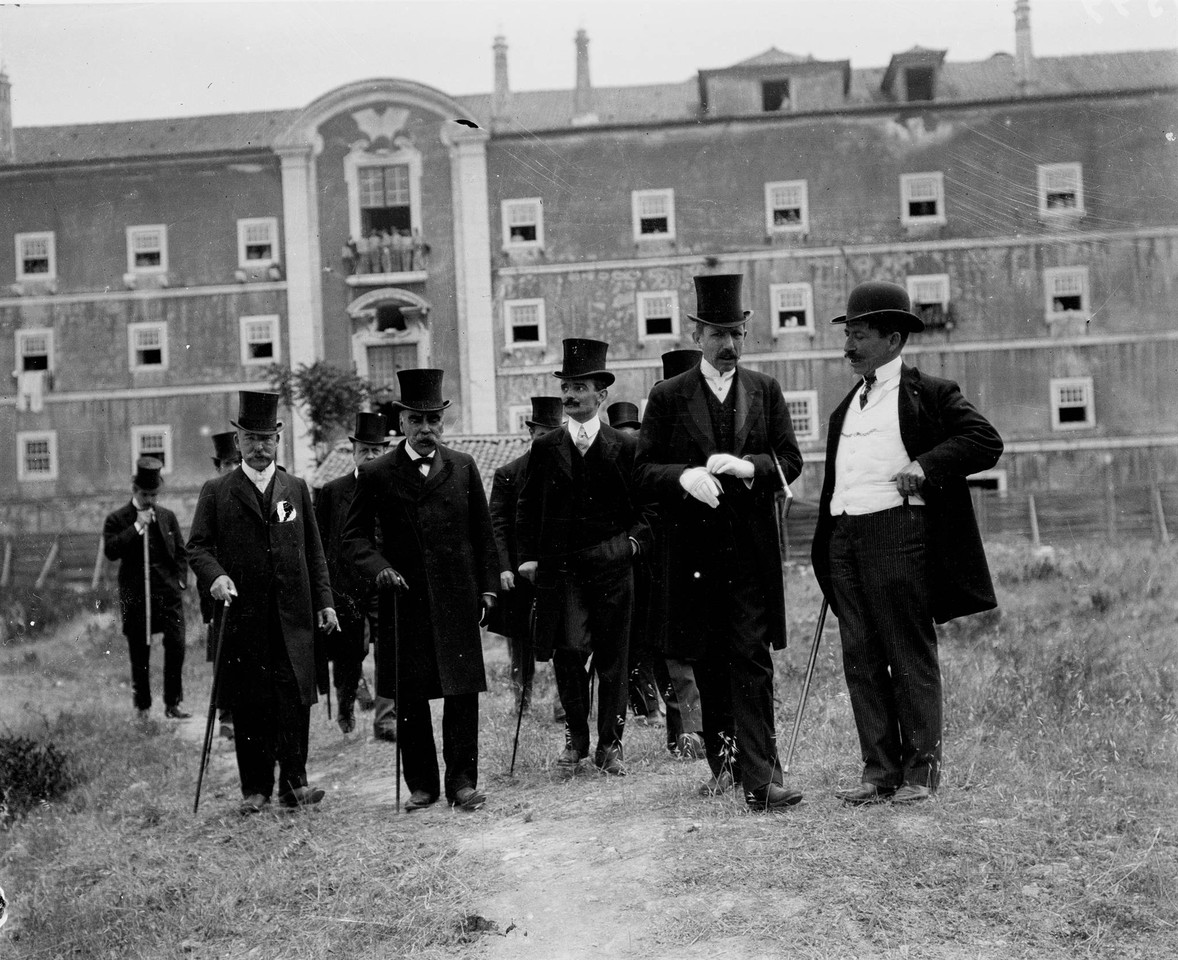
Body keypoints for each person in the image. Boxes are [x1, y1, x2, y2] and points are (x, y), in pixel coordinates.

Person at [812, 280, 1003, 805]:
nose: (848, 346)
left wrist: (925, 464)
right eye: (847, 334)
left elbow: (985, 441)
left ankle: (920, 776)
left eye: (860, 335)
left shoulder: (931, 393)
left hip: (899, 534)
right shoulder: (846, 406)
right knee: (861, 657)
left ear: (894, 340)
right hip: (845, 539)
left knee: (907, 653)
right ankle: (880, 773)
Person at [635, 274, 803, 811]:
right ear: (698, 334)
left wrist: (751, 466)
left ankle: (763, 778)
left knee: (751, 657)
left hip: (750, 555)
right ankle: (725, 763)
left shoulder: (766, 390)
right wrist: (682, 477)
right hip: (692, 557)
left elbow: (790, 461)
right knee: (708, 661)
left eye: (737, 334)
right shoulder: (667, 396)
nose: (729, 345)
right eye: (719, 335)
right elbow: (642, 472)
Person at [343, 369, 499, 812]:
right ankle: (423, 786)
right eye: (417, 420)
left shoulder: (463, 467)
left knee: (460, 692)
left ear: (442, 422)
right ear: (402, 423)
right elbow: (353, 538)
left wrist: (487, 590)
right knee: (410, 697)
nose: (426, 429)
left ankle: (463, 783)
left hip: (456, 598)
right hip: (403, 600)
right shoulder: (375, 473)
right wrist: (380, 569)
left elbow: (483, 535)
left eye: (433, 420)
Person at [187, 391, 339, 815]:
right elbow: (197, 548)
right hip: (244, 618)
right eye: (250, 438)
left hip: (294, 616)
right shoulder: (216, 491)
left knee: (293, 698)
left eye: (266, 438)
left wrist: (325, 602)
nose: (259, 446)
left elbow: (315, 553)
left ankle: (295, 784)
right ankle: (255, 789)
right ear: (237, 442)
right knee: (251, 702)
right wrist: (216, 577)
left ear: (278, 438)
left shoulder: (296, 489)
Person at [516, 339, 655, 778]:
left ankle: (610, 746)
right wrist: (528, 558)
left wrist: (629, 547)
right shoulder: (546, 447)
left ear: (602, 395)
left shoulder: (628, 447)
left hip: (614, 570)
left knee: (615, 656)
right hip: (563, 570)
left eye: (580, 387)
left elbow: (650, 514)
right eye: (566, 388)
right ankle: (576, 736)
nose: (571, 396)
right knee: (569, 651)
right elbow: (526, 508)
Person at [313, 411, 391, 736]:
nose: (371, 456)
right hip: (346, 585)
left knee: (387, 644)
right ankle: (346, 705)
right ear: (354, 452)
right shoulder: (333, 491)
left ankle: (385, 716)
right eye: (364, 450)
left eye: (377, 450)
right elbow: (320, 539)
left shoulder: (393, 489)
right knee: (351, 653)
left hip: (383, 581)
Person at [488, 396, 564, 714]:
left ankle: (564, 702)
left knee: (564, 637)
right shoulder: (508, 473)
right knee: (520, 640)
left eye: (553, 432)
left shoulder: (568, 469)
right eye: (540, 432)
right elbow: (499, 526)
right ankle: (522, 700)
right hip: (519, 573)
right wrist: (504, 567)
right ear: (530, 432)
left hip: (557, 570)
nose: (546, 438)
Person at [103, 457, 190, 721]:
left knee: (176, 646)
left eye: (154, 494)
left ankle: (172, 703)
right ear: (134, 490)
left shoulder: (167, 517)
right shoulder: (117, 519)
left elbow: (181, 554)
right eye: (145, 494)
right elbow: (111, 551)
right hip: (137, 597)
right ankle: (143, 707)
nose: (150, 500)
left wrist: (181, 581)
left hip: (168, 595)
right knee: (139, 653)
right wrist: (137, 526)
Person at [201, 431, 242, 739]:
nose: (232, 469)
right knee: (224, 654)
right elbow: (201, 549)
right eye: (227, 463)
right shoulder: (212, 495)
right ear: (218, 466)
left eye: (237, 462)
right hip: (218, 587)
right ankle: (225, 714)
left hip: (249, 585)